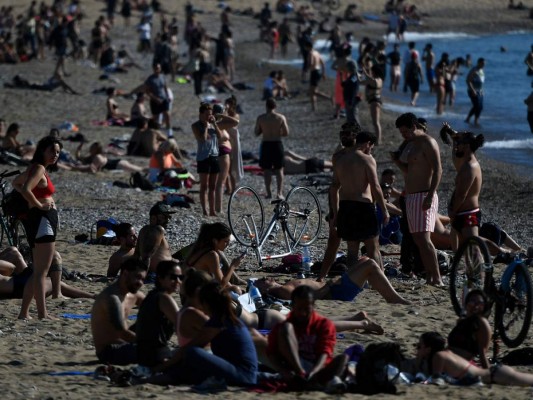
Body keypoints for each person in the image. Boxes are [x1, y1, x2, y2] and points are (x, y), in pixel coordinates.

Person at [150, 281, 258, 387]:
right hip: (244, 372)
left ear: (206, 303)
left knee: (192, 352)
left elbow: (190, 348)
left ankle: (155, 378)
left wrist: (161, 367)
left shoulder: (218, 322)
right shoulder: (228, 318)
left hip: (242, 376)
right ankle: (163, 377)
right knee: (191, 369)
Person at [13, 136, 61, 319]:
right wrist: (38, 205)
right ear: (42, 150)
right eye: (52, 151)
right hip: (43, 220)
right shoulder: (39, 168)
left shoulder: (36, 168)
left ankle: (24, 313)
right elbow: (25, 188)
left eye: (58, 152)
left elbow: (16, 183)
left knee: (38, 271)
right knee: (42, 271)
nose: (55, 155)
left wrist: (33, 202)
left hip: (39, 220)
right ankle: (42, 313)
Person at [393, 113, 443, 285]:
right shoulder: (412, 144)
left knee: (424, 239)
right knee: (417, 239)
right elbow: (409, 171)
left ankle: (437, 277)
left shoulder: (428, 142)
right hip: (411, 197)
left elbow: (438, 170)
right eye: (402, 132)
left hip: (424, 195)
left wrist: (430, 195)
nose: (404, 135)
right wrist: (397, 161)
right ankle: (429, 275)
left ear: (414, 126)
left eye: (405, 131)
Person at [267, 285, 348, 386]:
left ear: (313, 306)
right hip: (293, 367)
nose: (303, 313)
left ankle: (322, 382)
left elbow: (325, 352)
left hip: (317, 368)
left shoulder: (324, 324)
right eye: (299, 309)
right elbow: (271, 353)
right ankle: (301, 374)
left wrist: (314, 371)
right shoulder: (283, 327)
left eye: (306, 309)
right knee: (286, 328)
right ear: (292, 306)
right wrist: (284, 371)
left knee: (343, 358)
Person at [330, 130, 389, 269]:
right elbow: (375, 187)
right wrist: (384, 209)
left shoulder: (340, 160)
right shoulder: (366, 159)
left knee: (352, 250)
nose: (370, 151)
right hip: (363, 207)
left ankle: (352, 281)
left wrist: (336, 212)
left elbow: (334, 187)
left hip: (346, 206)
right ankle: (378, 282)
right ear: (368, 143)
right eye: (371, 147)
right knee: (372, 248)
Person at [257, 256, 408, 304]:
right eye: (263, 280)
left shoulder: (284, 285)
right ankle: (394, 298)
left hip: (335, 286)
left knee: (365, 259)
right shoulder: (283, 290)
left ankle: (390, 295)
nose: (266, 277)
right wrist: (330, 283)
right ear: (264, 289)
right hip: (337, 291)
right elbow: (312, 299)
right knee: (370, 265)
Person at [415, 331, 533, 386]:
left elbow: (437, 380)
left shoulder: (439, 356)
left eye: (419, 346)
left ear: (428, 349)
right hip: (494, 373)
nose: (417, 349)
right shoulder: (446, 354)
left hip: (496, 375)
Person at [91, 257, 146, 365]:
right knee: (157, 354)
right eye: (138, 277)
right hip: (109, 351)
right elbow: (121, 332)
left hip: (126, 344)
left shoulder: (133, 294)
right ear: (125, 274)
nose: (140, 283)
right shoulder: (111, 298)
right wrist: (148, 343)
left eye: (143, 279)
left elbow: (153, 309)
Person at [441, 123, 485, 250]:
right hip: (462, 212)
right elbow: (457, 140)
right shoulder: (464, 163)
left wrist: (453, 212)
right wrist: (450, 131)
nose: (456, 146)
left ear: (466, 146)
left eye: (458, 143)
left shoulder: (469, 167)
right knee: (463, 250)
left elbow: (462, 194)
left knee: (473, 249)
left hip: (468, 213)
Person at [136, 260, 181, 368]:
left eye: (181, 277)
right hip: (156, 355)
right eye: (173, 277)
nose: (178, 281)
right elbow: (182, 325)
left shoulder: (152, 295)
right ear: (161, 278)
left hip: (144, 354)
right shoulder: (164, 298)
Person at [184, 222, 244, 293]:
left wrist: (231, 286)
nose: (227, 244)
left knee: (237, 290)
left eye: (228, 241)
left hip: (190, 293)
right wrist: (233, 266)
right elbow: (221, 285)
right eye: (225, 241)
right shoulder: (211, 255)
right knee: (236, 290)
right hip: (195, 295)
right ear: (215, 241)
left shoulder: (202, 248)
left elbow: (222, 281)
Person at [192, 102, 223, 216]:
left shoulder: (213, 125)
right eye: (206, 114)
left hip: (214, 156)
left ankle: (212, 210)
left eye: (210, 114)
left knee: (212, 186)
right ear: (201, 114)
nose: (208, 116)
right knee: (204, 186)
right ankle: (205, 210)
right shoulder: (195, 126)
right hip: (203, 157)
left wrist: (214, 124)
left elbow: (220, 137)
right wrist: (205, 126)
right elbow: (203, 139)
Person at [255, 98, 289, 199]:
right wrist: (277, 132)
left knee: (267, 170)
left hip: (266, 144)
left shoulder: (261, 118)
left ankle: (269, 193)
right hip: (277, 143)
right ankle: (279, 193)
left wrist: (264, 130)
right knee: (279, 169)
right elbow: (286, 133)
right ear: (275, 106)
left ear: (266, 106)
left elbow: (256, 132)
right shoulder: (280, 117)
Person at [447, 289, 491, 369]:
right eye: (473, 301)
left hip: (461, 365)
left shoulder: (481, 323)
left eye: (480, 303)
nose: (476, 306)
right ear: (466, 303)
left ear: (484, 306)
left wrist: (487, 373)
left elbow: (482, 353)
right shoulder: (462, 321)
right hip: (450, 360)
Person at [134, 202, 177, 274]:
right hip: (159, 274)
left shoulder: (143, 230)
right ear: (153, 218)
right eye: (164, 217)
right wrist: (142, 276)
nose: (167, 221)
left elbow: (136, 254)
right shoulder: (158, 229)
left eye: (168, 217)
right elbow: (147, 256)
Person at [211, 103, 238, 214]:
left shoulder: (212, 124)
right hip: (222, 153)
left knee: (216, 182)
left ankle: (216, 208)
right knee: (220, 183)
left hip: (217, 152)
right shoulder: (219, 124)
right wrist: (223, 115)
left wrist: (224, 112)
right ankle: (219, 208)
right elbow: (236, 121)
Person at [70, 142, 145, 173]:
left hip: (119, 164)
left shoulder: (98, 157)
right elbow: (79, 158)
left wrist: (76, 167)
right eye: (91, 147)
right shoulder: (91, 156)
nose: (90, 149)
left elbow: (93, 169)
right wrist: (79, 149)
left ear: (96, 150)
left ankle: (153, 169)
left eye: (92, 148)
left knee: (140, 169)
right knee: (140, 169)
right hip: (117, 164)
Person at [359, 65, 383, 144]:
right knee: (376, 122)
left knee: (376, 122)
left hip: (374, 101)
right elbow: (360, 81)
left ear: (374, 72)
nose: (371, 72)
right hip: (376, 101)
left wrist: (365, 73)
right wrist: (358, 74)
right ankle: (378, 139)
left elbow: (372, 81)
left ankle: (378, 140)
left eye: (372, 71)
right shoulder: (379, 80)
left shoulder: (376, 81)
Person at [224, 95, 244, 193]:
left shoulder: (235, 116)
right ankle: (228, 188)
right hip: (227, 142)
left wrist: (224, 113)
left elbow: (230, 122)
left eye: (228, 104)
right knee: (225, 167)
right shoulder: (226, 115)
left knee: (231, 168)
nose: (226, 106)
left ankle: (232, 188)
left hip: (233, 144)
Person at [305, 41, 332, 111]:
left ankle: (329, 98)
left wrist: (307, 68)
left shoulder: (310, 53)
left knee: (313, 92)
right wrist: (323, 73)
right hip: (318, 71)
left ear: (307, 47)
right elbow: (323, 63)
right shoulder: (316, 53)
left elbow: (310, 63)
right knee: (313, 91)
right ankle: (314, 107)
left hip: (314, 72)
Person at [465, 58, 485, 126]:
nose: (483, 65)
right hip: (472, 91)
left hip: (480, 91)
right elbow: (468, 80)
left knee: (480, 106)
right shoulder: (474, 70)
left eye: (484, 63)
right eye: (482, 63)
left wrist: (482, 90)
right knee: (477, 106)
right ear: (478, 63)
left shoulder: (481, 70)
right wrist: (473, 90)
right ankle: (475, 120)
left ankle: (468, 119)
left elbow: (481, 82)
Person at [342, 60, 360, 125]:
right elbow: (344, 84)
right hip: (349, 99)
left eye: (347, 67)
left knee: (354, 117)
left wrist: (350, 101)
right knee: (349, 118)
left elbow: (353, 90)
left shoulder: (354, 77)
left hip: (351, 100)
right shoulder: (351, 76)